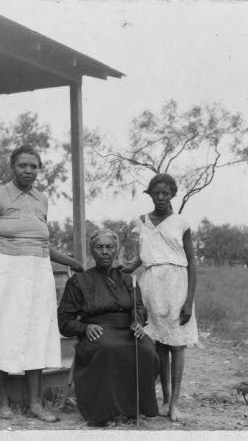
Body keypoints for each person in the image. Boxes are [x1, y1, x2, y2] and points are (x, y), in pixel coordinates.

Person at [0, 144, 84, 422]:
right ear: (12, 167)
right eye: (23, 165)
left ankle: (35, 404)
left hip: (38, 273)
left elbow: (41, 242)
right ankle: (3, 401)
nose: (28, 171)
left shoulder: (42, 200)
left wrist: (70, 262)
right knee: (3, 333)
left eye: (34, 166)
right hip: (5, 272)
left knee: (36, 334)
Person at [57, 229, 160, 426]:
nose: (104, 251)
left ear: (117, 251)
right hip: (98, 330)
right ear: (92, 252)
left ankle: (134, 409)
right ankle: (105, 411)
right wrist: (84, 328)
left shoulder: (128, 279)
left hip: (127, 330)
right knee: (109, 349)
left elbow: (138, 306)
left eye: (109, 247)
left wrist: (137, 322)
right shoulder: (78, 281)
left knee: (147, 350)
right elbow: (64, 320)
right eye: (99, 247)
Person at [120, 173, 198, 422]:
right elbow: (143, 256)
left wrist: (188, 301)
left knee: (177, 344)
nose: (161, 197)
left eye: (166, 193)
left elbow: (192, 264)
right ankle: (164, 399)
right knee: (160, 346)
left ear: (173, 195)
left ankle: (175, 403)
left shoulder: (181, 223)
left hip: (177, 285)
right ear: (150, 194)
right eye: (157, 193)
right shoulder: (142, 222)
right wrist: (128, 267)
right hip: (152, 285)